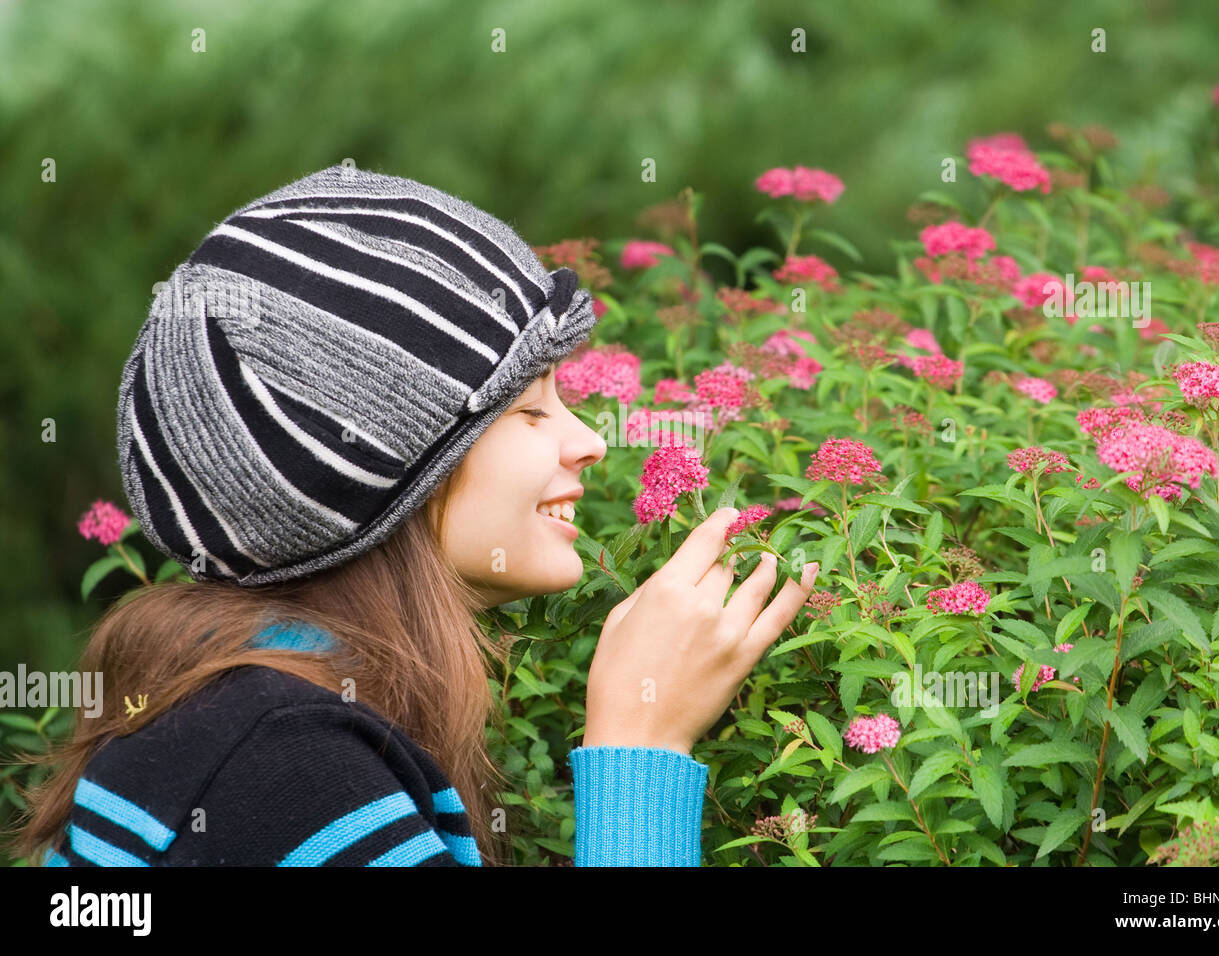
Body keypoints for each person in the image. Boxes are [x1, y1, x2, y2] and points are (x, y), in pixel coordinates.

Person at [10, 164, 818, 867]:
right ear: (381, 470)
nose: (591, 441)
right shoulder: (284, 767)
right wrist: (639, 745)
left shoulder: (251, 721)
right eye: (532, 410)